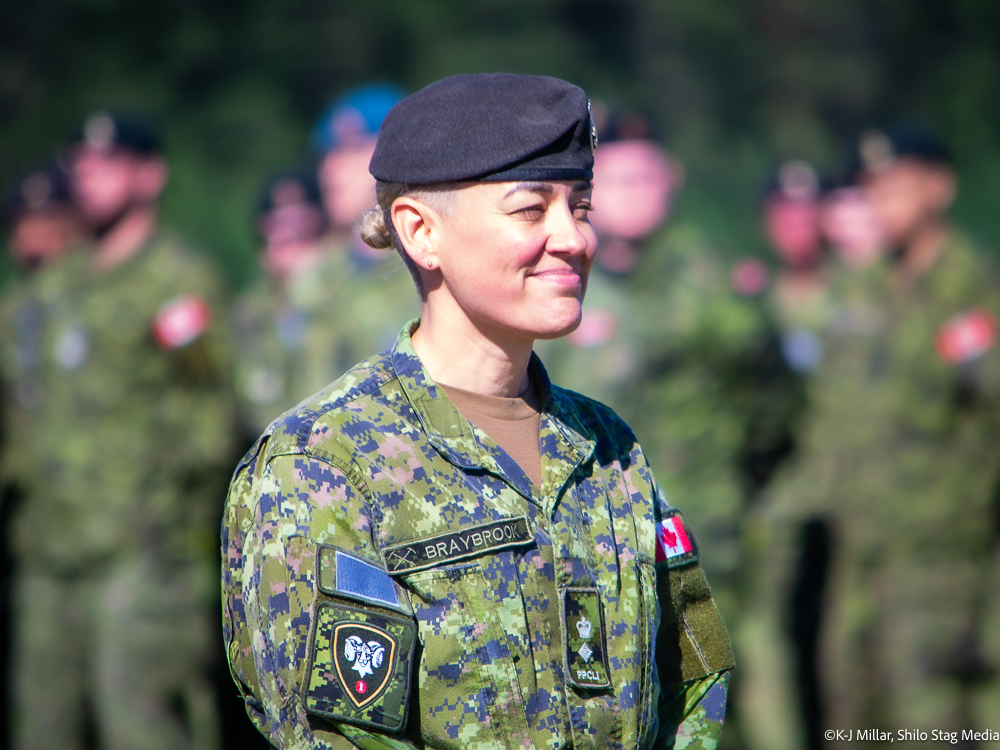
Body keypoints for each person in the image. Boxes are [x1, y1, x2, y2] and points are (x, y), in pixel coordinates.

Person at [222, 73, 735, 749]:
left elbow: (694, 683)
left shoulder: (608, 447)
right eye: (531, 210)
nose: (574, 238)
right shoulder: (325, 464)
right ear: (421, 233)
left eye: (580, 206)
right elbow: (336, 737)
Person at [5, 112, 236, 750]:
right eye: (79, 166)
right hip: (48, 552)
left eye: (105, 165)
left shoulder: (176, 283)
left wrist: (163, 526)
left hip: (141, 559)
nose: (87, 179)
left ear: (148, 175)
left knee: (141, 730)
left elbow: (211, 420)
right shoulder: (55, 287)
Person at [764, 125, 1000, 745]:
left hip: (941, 568)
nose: (879, 203)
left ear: (939, 188)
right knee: (850, 723)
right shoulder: (859, 290)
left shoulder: (970, 292)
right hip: (855, 557)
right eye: (870, 190)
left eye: (894, 187)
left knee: (930, 728)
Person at [231, 165, 331, 438]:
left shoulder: (352, 304)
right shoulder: (247, 317)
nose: (287, 251)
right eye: (275, 236)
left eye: (301, 234)